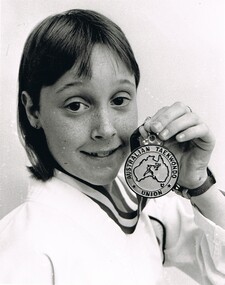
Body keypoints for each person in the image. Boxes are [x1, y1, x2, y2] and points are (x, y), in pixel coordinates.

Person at [0, 9, 224, 285]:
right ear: (33, 110)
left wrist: (199, 183)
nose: (105, 129)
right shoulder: (22, 244)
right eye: (75, 105)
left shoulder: (146, 204)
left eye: (119, 100)